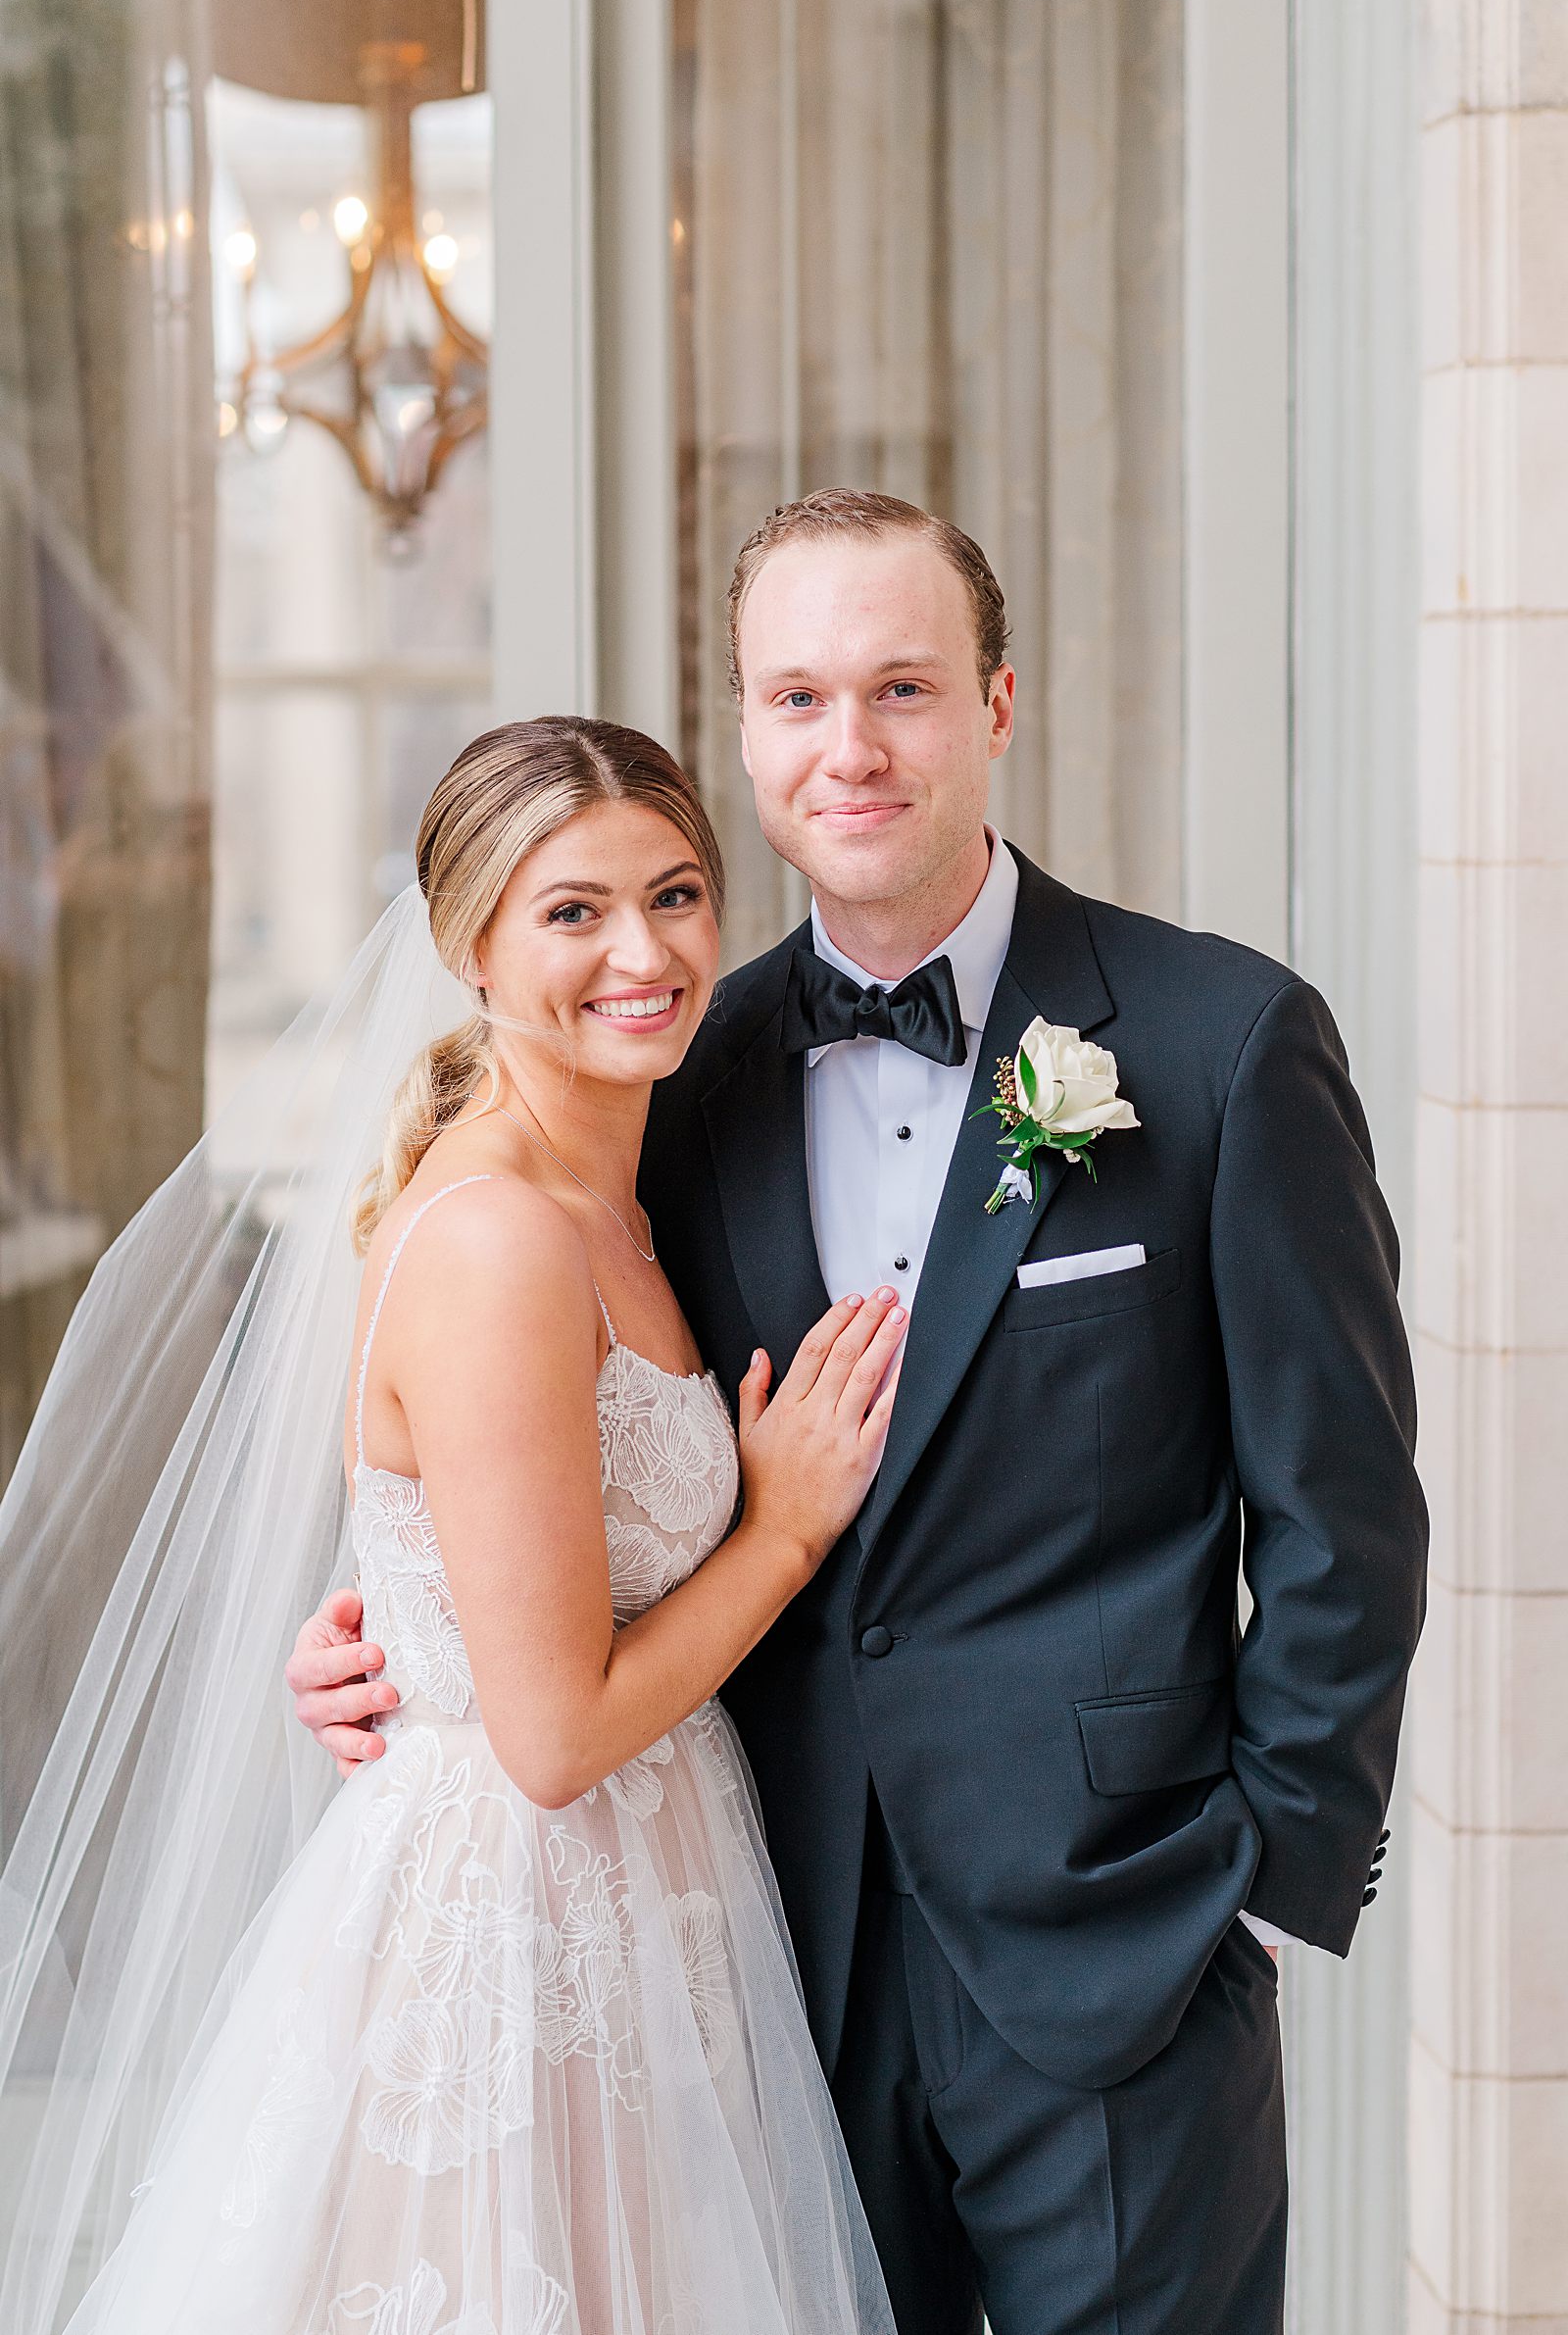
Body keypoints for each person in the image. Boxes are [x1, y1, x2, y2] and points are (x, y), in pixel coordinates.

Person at [294, 490, 1429, 2335]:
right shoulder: (673, 1063)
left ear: (994, 705)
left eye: (900, 688)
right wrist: (397, 1635)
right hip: (757, 1962)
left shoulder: (1223, 1047)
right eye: (799, 697)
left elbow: (1346, 1512)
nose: (852, 747)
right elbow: (537, 1429)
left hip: (1118, 1958)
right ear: (746, 731)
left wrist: (1261, 1886)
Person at [1, 720, 899, 2333]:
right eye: (573, 910)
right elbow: (549, 1734)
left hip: (650, 1907)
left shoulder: (629, 1186)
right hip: (515, 1934)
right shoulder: (497, 1237)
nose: (645, 950)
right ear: (465, 944)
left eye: (678, 893)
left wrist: (380, 1618)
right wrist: (782, 1526)